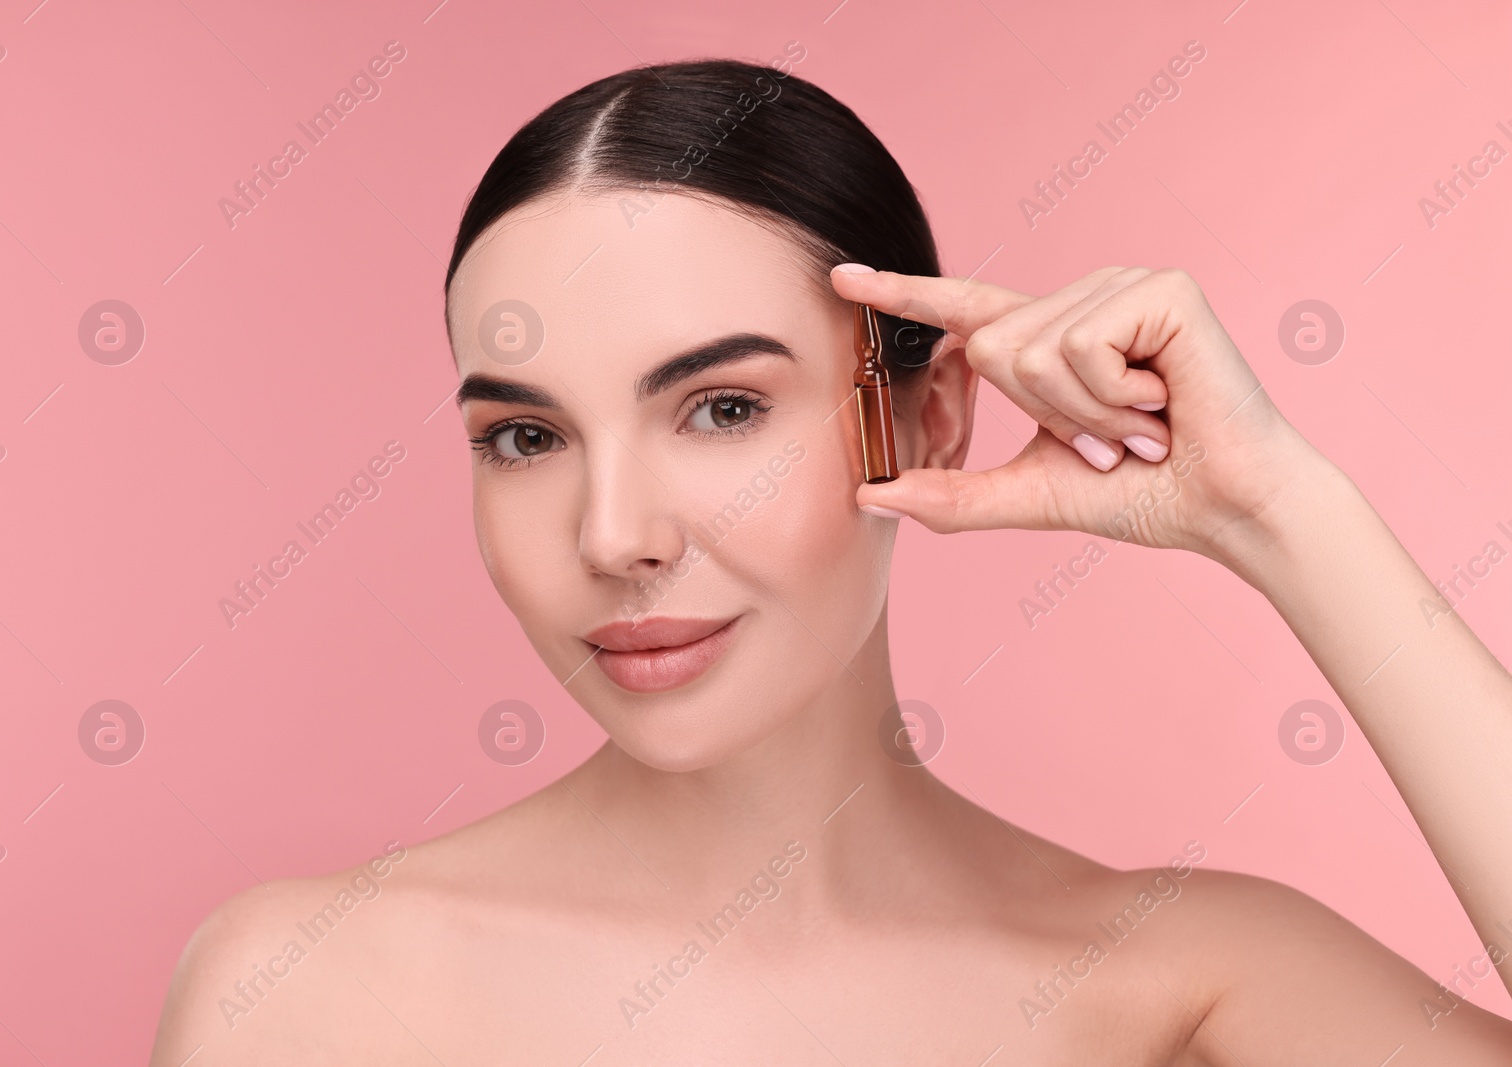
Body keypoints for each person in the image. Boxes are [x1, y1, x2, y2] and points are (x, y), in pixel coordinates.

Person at [150, 58, 1512, 1063]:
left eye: (722, 408)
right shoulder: (302, 993)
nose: (613, 535)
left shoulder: (1184, 989)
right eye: (524, 437)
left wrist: (1278, 508)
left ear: (922, 416)